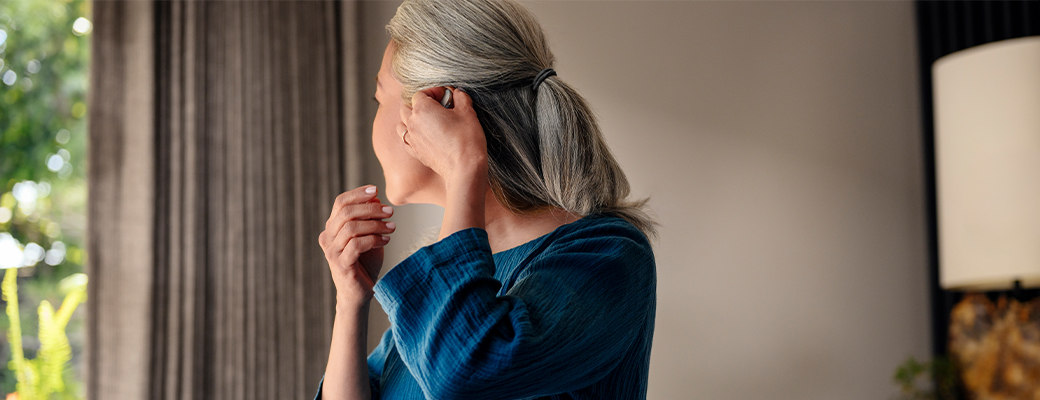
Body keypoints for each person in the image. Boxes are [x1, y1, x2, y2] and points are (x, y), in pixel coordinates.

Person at [315, 0, 657, 398]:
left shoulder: (608, 257)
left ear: (437, 105)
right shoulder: (439, 297)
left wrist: (464, 164)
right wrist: (350, 301)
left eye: (379, 98)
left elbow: (462, 369)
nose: (375, 117)